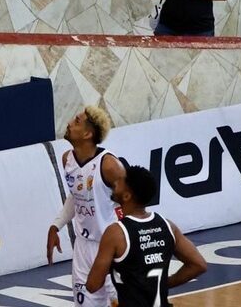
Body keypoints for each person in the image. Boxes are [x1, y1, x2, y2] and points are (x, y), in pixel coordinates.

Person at [86, 166, 207, 306]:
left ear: (127, 196)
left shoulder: (116, 233)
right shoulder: (167, 226)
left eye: (119, 182)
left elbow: (92, 285)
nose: (114, 183)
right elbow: (199, 265)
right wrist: (164, 283)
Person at [46, 106, 126, 307]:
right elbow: (77, 196)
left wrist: (127, 243)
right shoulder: (68, 159)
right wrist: (56, 226)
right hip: (83, 247)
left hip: (110, 247)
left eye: (77, 121)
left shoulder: (110, 166)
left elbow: (131, 205)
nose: (70, 123)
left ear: (88, 134)